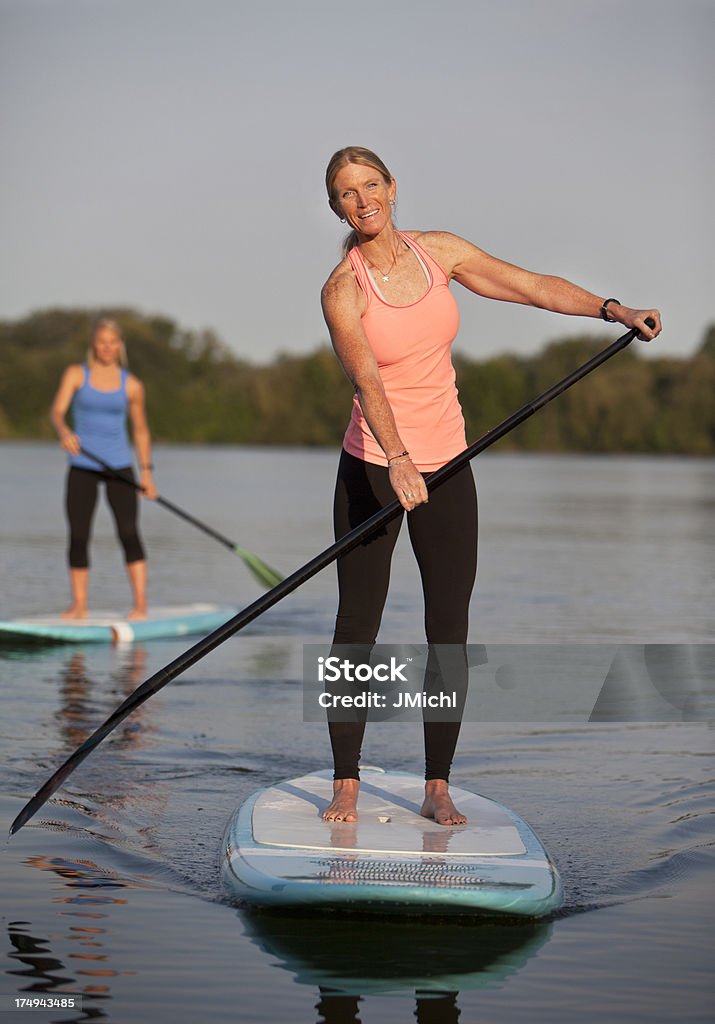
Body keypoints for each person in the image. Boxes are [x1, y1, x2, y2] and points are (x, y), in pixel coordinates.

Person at [320, 145, 661, 826]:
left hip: (448, 462)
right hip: (374, 467)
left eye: (370, 185)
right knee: (358, 626)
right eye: (347, 194)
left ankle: (437, 784)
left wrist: (610, 309)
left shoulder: (437, 251)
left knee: (448, 628)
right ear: (337, 208)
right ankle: (346, 783)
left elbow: (528, 284)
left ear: (391, 187)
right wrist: (396, 457)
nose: (363, 200)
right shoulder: (342, 289)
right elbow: (366, 379)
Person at [50, 318, 158, 620]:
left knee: (128, 532)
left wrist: (147, 473)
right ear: (93, 345)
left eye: (112, 342)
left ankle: (140, 605)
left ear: (119, 345)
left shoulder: (132, 385)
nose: (106, 348)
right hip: (82, 464)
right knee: (79, 534)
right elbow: (57, 412)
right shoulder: (76, 375)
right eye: (101, 342)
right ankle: (79, 606)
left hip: (119, 466)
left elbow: (141, 431)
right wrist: (63, 432)